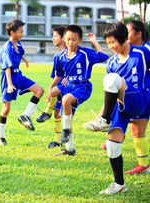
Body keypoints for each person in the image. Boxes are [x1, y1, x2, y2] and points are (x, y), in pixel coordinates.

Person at [82, 22, 150, 194]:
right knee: (113, 145)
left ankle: (104, 120)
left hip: (140, 99)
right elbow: (109, 91)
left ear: (124, 38)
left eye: (113, 42)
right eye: (108, 43)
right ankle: (119, 184)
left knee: (112, 78)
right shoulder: (112, 62)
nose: (111, 46)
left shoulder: (141, 52)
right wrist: (102, 113)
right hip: (121, 106)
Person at [46, 25, 109, 156]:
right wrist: (52, 87)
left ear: (80, 40)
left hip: (82, 87)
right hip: (68, 86)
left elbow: (103, 57)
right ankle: (70, 149)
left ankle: (64, 129)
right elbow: (59, 75)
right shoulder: (60, 57)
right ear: (64, 39)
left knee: (65, 100)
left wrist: (94, 41)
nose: (70, 42)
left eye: (74, 39)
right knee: (67, 119)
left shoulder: (85, 53)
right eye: (68, 39)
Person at [0, 19, 44, 146]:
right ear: (12, 33)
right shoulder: (7, 47)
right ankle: (0, 135)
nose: (23, 34)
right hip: (8, 78)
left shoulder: (18, 44)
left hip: (19, 76)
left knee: (39, 90)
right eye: (21, 32)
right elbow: (6, 67)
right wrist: (10, 84)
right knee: (6, 109)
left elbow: (21, 54)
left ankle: (25, 116)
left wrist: (26, 60)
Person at [36, 26, 66, 148]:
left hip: (70, 87)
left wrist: (51, 91)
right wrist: (50, 90)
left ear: (63, 38)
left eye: (55, 36)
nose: (53, 39)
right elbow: (56, 76)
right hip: (60, 87)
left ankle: (47, 111)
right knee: (57, 115)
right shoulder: (56, 56)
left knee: (66, 116)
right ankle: (58, 141)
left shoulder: (70, 53)